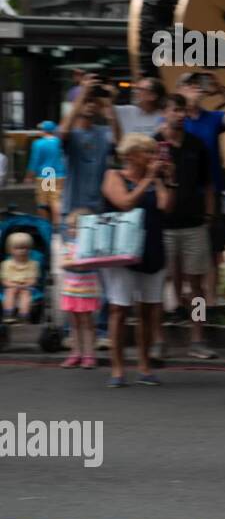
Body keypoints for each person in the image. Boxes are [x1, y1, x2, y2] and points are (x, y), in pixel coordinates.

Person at [101, 133, 173, 388]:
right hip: (123, 251)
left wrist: (163, 180)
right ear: (131, 155)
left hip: (152, 248)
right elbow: (125, 203)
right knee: (119, 309)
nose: (153, 157)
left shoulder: (154, 179)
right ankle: (117, 369)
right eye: (147, 153)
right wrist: (148, 180)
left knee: (148, 310)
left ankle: (144, 366)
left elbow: (165, 206)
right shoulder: (114, 176)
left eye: (154, 153)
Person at [177, 70, 225, 311]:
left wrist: (222, 90)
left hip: (211, 192)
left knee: (214, 248)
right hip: (182, 195)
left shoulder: (212, 118)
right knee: (183, 252)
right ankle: (183, 305)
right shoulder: (175, 120)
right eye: (189, 85)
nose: (195, 89)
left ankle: (209, 305)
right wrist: (183, 106)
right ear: (179, 91)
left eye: (197, 85)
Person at [156, 94, 216, 360]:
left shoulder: (197, 144)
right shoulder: (154, 144)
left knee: (197, 286)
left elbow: (208, 185)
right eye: (175, 109)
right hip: (163, 224)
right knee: (158, 284)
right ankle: (158, 340)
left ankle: (198, 337)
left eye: (183, 110)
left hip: (194, 223)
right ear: (164, 112)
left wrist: (210, 216)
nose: (180, 115)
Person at [59, 73, 121, 216]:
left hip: (97, 211)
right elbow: (62, 133)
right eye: (86, 101)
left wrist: (109, 103)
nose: (90, 105)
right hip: (72, 211)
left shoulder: (104, 132)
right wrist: (82, 93)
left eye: (93, 101)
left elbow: (119, 143)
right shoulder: (72, 133)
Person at [58, 209, 101, 369]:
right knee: (74, 324)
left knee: (87, 323)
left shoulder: (92, 248)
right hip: (70, 290)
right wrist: (78, 263)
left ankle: (89, 355)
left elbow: (92, 263)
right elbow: (63, 263)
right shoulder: (68, 245)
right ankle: (75, 353)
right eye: (70, 227)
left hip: (86, 291)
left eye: (76, 227)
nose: (72, 231)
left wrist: (77, 263)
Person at [25, 121, 66, 227]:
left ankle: (44, 226)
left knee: (42, 203)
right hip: (60, 175)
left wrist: (29, 176)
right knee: (56, 200)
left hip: (45, 175)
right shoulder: (59, 142)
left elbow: (34, 161)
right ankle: (58, 226)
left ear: (44, 130)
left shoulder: (38, 144)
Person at [2, 233, 38, 323]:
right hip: (11, 285)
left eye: (25, 248)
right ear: (10, 249)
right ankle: (8, 314)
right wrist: (14, 285)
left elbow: (33, 280)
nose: (22, 251)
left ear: (30, 249)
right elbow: (4, 281)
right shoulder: (6, 264)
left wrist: (25, 285)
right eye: (18, 248)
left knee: (25, 295)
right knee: (9, 292)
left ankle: (23, 316)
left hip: (26, 286)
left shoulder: (32, 264)